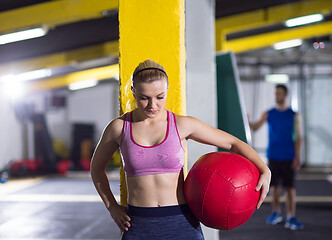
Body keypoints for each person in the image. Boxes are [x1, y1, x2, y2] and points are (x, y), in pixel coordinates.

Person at [90, 59, 271, 239]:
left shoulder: (182, 124)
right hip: (138, 224)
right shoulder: (119, 127)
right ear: (133, 91)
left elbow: (233, 143)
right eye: (144, 98)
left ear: (167, 90)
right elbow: (96, 169)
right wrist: (112, 207)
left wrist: (265, 170)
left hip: (181, 221)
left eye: (160, 97)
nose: (153, 105)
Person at [250, 84, 304, 230]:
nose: (276, 96)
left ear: (285, 95)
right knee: (274, 188)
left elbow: (299, 137)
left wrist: (297, 157)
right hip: (273, 156)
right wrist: (247, 120)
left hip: (289, 157)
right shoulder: (268, 113)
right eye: (275, 93)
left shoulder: (294, 115)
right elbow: (254, 127)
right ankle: (276, 213)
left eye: (279, 93)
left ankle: (291, 217)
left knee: (290, 189)